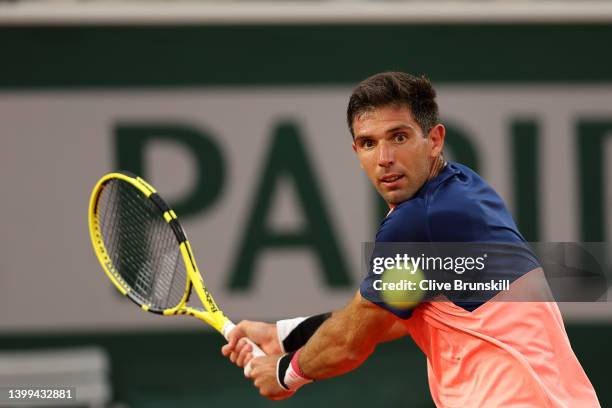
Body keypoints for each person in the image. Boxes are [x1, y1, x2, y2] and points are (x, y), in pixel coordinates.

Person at [221, 72, 600, 407]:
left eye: (398, 137)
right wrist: (285, 335)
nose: (384, 157)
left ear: (433, 139)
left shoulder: (419, 222)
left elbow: (349, 342)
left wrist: (286, 372)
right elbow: (396, 314)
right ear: (356, 151)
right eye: (368, 143)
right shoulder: (466, 191)